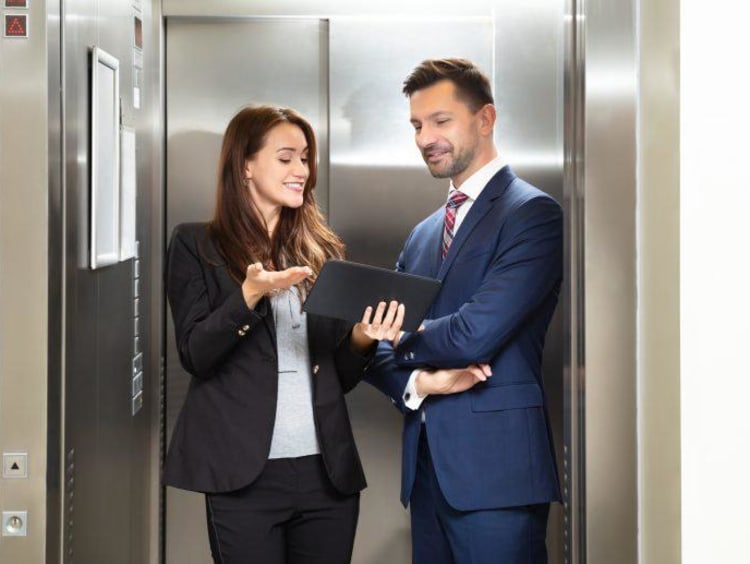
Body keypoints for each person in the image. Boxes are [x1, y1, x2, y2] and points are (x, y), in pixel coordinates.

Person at [164, 105, 404, 564]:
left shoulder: (321, 249)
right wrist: (249, 296)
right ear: (246, 165)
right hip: (243, 475)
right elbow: (196, 354)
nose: (301, 170)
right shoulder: (196, 245)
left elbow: (340, 374)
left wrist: (362, 338)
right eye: (286, 157)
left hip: (326, 475)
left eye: (306, 158)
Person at [366, 58, 563, 563]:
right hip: (427, 474)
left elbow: (476, 332)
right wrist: (418, 384)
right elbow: (375, 352)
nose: (425, 137)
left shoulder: (532, 215)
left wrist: (402, 336)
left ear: (486, 119)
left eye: (440, 121)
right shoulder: (424, 233)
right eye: (416, 125)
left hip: (499, 477)